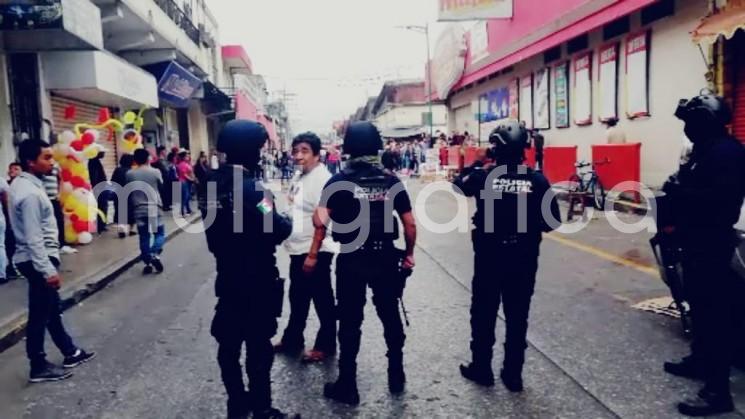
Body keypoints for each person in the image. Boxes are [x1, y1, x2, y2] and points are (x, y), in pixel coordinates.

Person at [307, 121, 416, 405]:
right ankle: (396, 373)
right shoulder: (391, 181)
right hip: (384, 257)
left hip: (352, 259)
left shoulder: (338, 181)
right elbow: (409, 224)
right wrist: (409, 254)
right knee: (390, 315)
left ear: (349, 148)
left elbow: (320, 222)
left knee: (350, 322)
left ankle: (348, 385)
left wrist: (313, 254)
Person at [453, 120, 560, 393]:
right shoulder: (537, 180)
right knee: (517, 315)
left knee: (484, 312)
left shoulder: (483, 177)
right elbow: (552, 223)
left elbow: (457, 185)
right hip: (523, 258)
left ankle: (482, 368)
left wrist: (476, 162)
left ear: (496, 149)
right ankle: (513, 375)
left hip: (490, 256)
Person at [201, 120, 295, 419]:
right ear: (249, 152)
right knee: (258, 346)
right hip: (257, 281)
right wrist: (287, 218)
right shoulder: (256, 193)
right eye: (258, 149)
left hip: (228, 277)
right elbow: (278, 229)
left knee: (228, 345)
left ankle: (237, 404)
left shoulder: (210, 188)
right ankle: (262, 408)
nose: (260, 154)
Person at [661, 92, 745, 416]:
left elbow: (720, 201)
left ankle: (717, 392)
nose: (687, 128)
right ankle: (699, 360)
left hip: (712, 244)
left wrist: (680, 192)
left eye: (692, 122)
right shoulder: (704, 150)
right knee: (698, 309)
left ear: (706, 122)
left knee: (715, 317)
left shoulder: (727, 153)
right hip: (695, 241)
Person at [11, 139, 96, 383]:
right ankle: (38, 365)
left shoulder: (26, 185)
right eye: (46, 158)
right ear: (30, 162)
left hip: (36, 258)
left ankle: (70, 351)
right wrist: (47, 269)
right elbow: (33, 236)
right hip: (37, 258)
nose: (52, 162)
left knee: (51, 309)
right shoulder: (28, 194)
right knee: (40, 313)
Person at [274, 132, 339, 363]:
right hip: (297, 249)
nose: (298, 155)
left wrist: (313, 255)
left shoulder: (322, 179)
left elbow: (323, 220)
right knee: (298, 296)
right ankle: (293, 339)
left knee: (322, 299)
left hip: (316, 250)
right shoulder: (300, 176)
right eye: (295, 150)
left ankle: (327, 344)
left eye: (304, 150)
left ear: (316, 154)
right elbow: (292, 208)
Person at [126, 148, 166, 275]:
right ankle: (154, 253)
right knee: (159, 234)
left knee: (144, 237)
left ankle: (148, 262)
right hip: (154, 208)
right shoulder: (155, 171)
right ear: (148, 158)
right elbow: (162, 186)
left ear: (135, 160)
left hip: (139, 209)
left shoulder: (129, 174)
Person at [111, 154, 136, 238]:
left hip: (119, 194)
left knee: (120, 211)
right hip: (130, 194)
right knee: (131, 212)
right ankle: (131, 230)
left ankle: (121, 229)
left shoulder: (117, 170)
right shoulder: (132, 171)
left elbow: (112, 182)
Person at [88, 150, 109, 233]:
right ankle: (101, 225)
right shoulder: (94, 162)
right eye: (102, 152)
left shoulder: (95, 162)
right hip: (100, 188)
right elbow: (95, 177)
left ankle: (102, 224)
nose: (104, 154)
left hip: (100, 188)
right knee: (102, 206)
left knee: (102, 206)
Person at [152, 146, 172, 212]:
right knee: (164, 193)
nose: (166, 152)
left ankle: (167, 205)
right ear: (161, 152)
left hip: (166, 179)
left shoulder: (163, 160)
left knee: (166, 192)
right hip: (163, 179)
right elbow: (165, 170)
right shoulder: (159, 161)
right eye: (165, 151)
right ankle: (165, 206)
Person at [176, 151, 196, 216]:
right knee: (185, 197)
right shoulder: (182, 164)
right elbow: (184, 174)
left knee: (187, 196)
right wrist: (192, 179)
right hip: (183, 182)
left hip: (187, 182)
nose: (188, 157)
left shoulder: (186, 163)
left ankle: (188, 210)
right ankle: (182, 212)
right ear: (183, 157)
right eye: (187, 156)